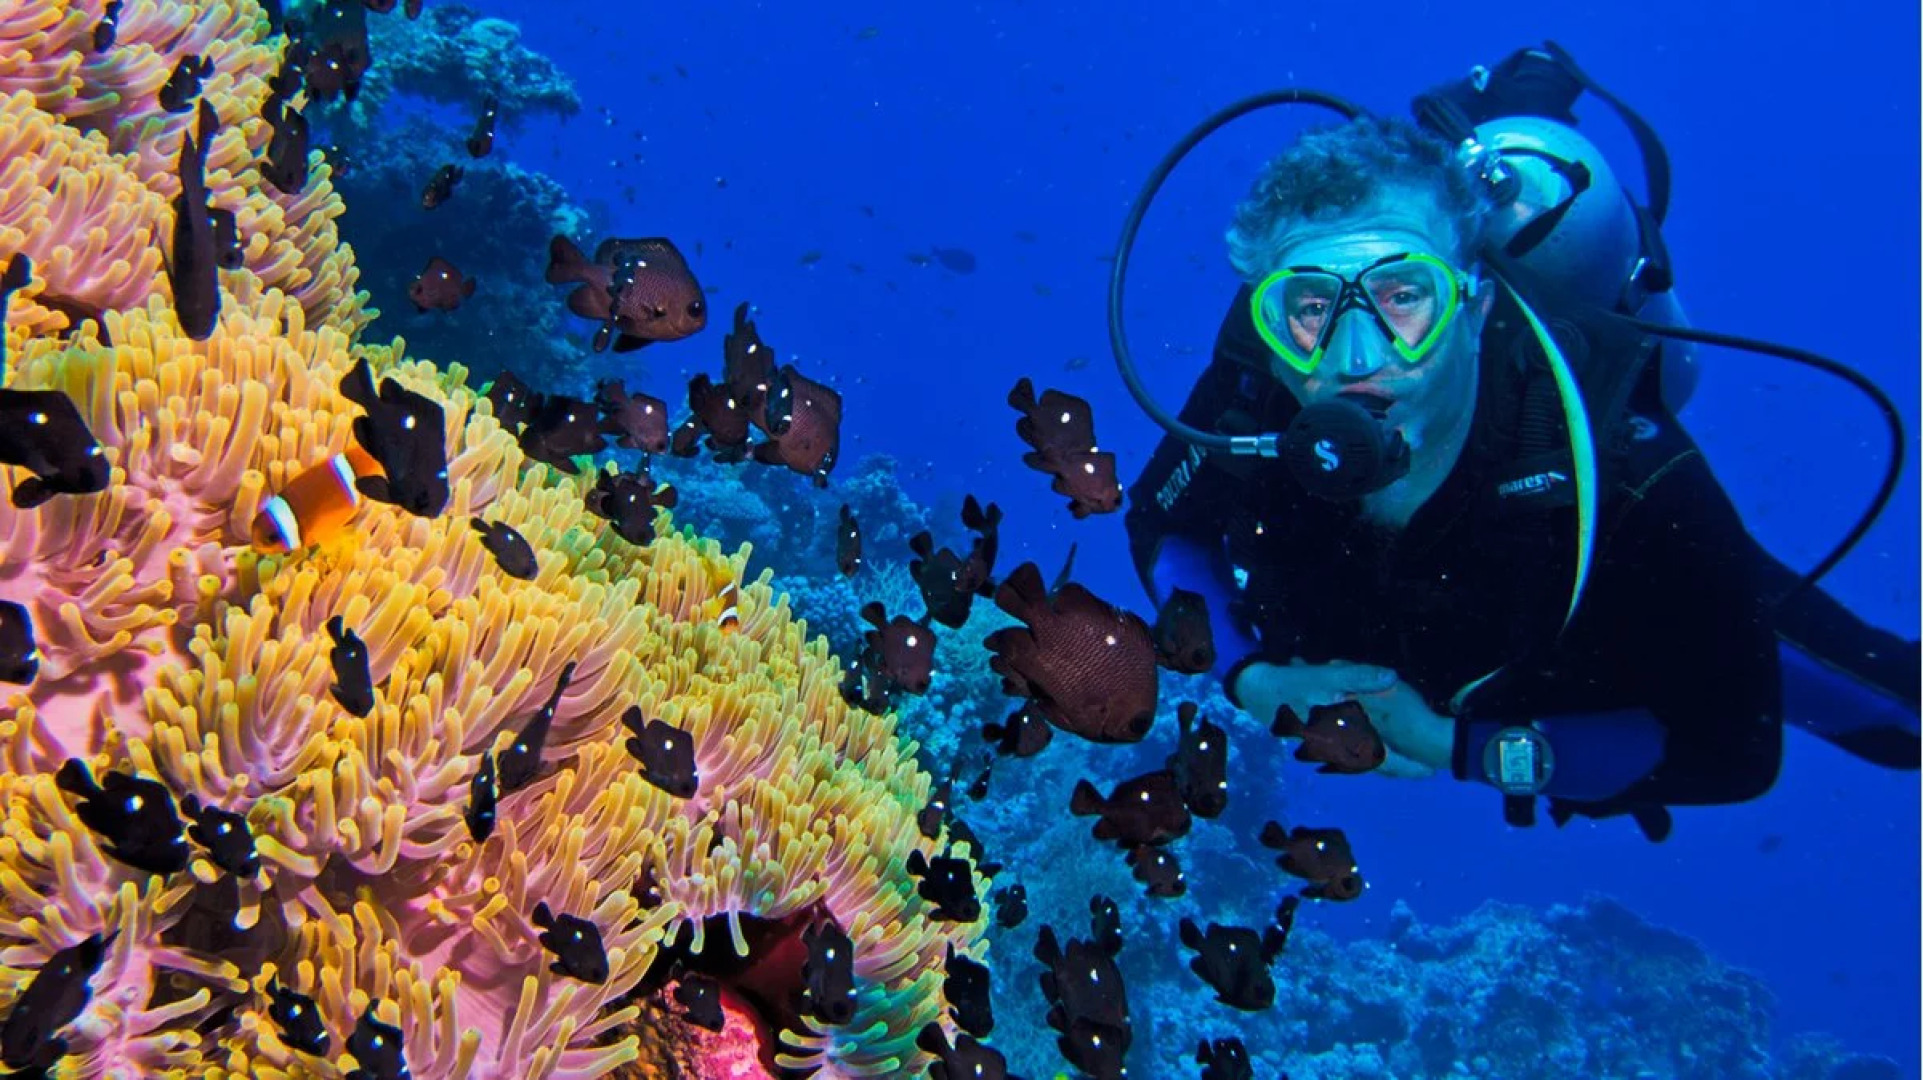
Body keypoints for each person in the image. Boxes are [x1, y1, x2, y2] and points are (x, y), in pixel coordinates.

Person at [1120, 49, 1919, 842]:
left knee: (1895, 716)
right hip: (1393, 624)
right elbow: (1162, 525)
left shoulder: (1629, 475)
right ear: (1267, 322)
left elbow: (1731, 755)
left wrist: (1460, 748)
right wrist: (1248, 675)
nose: (1355, 358)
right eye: (1308, 307)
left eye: (1404, 297)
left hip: (1579, 627)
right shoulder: (1253, 385)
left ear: (1472, 308)